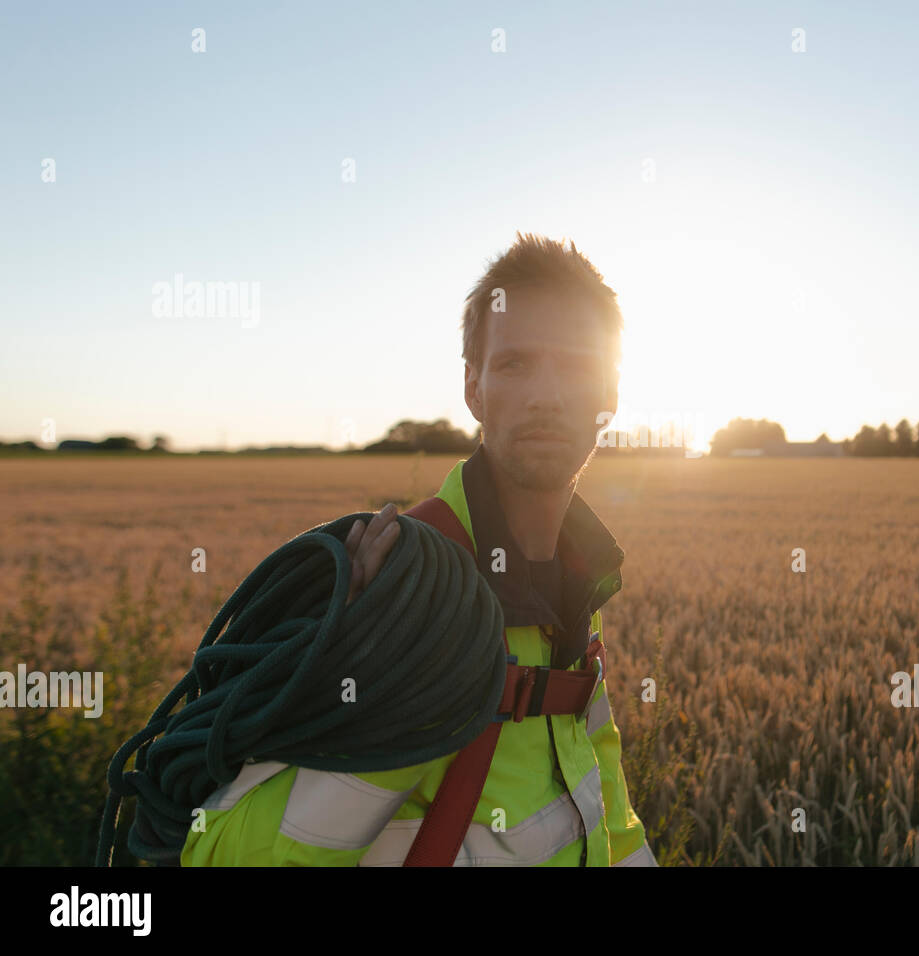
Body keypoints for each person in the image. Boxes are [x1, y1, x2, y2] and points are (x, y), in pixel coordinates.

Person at [181, 232, 657, 866]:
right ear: (474, 389)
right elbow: (220, 857)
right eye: (515, 364)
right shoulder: (395, 592)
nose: (547, 394)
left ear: (610, 396)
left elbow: (607, 814)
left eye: (575, 365)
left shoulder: (580, 582)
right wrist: (385, 686)